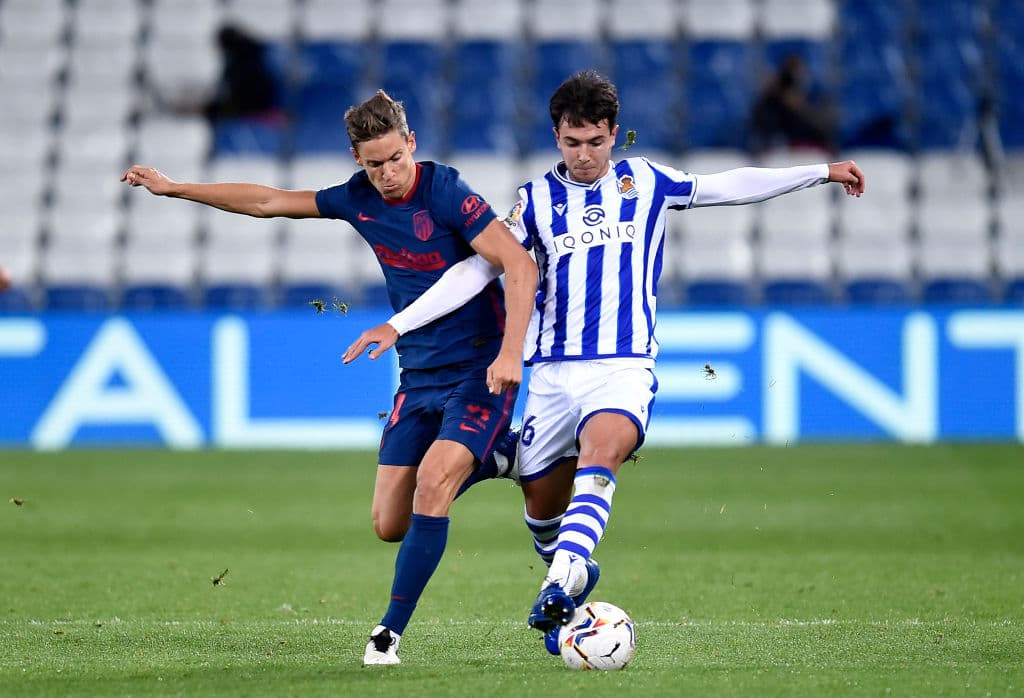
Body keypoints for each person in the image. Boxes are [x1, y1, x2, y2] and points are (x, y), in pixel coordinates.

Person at [342, 70, 866, 654]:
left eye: (596, 142)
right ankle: (553, 540)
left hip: (624, 365)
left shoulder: (646, 181)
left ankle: (559, 583)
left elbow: (727, 185)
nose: (585, 155)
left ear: (614, 134)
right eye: (573, 143)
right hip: (553, 376)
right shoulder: (535, 201)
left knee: (603, 447)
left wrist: (819, 171)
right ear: (557, 137)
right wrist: (399, 323)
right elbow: (474, 270)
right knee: (543, 510)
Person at [121, 89, 538, 666]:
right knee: (389, 524)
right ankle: (501, 459)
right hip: (417, 375)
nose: (389, 174)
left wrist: (511, 352)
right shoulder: (358, 200)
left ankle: (388, 634)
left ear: (411, 142)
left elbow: (517, 262)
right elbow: (267, 201)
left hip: (479, 368)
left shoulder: (446, 191)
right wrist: (176, 187)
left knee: (435, 482)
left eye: (396, 158)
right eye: (375, 164)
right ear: (357, 160)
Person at [750, 54, 835, 155]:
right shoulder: (771, 100)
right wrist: (772, 95)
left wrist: (802, 108)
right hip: (779, 152)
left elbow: (825, 129)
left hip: (809, 151)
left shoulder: (816, 96)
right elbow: (760, 127)